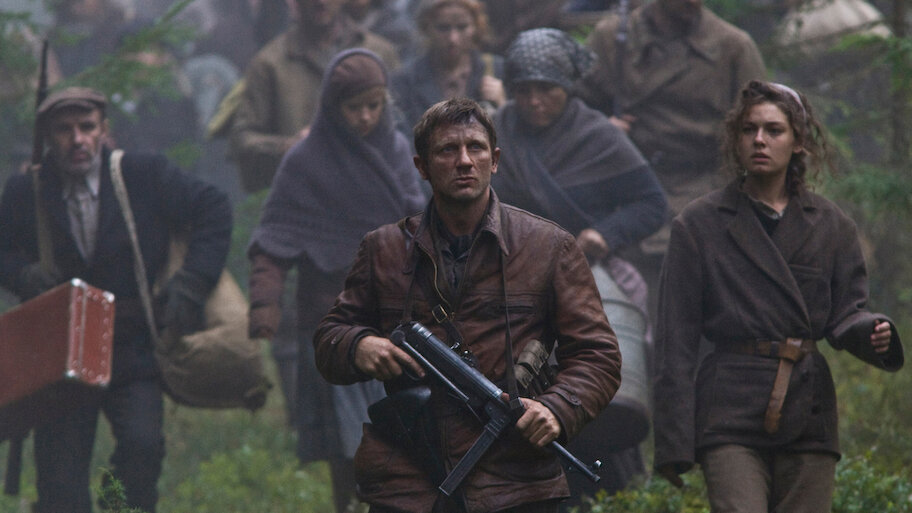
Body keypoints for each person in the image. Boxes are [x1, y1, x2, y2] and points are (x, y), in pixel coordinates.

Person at [313, 97, 621, 513]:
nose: (463, 161)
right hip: (409, 480)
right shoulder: (383, 249)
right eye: (447, 150)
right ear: (422, 166)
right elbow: (329, 338)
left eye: (475, 147)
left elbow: (598, 354)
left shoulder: (550, 247)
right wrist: (358, 345)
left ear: (495, 160)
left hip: (515, 480)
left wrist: (557, 407)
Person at [653, 80, 904, 512]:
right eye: (749, 130)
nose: (759, 140)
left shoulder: (831, 225)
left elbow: (846, 312)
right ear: (735, 140)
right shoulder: (699, 224)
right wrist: (673, 442)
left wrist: (871, 332)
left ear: (798, 141)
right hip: (729, 407)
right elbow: (675, 340)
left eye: (774, 130)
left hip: (807, 407)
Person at [0, 87, 232, 513]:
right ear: (48, 138)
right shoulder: (26, 192)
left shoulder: (143, 175)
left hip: (132, 346)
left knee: (143, 447)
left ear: (104, 130)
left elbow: (213, 209)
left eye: (86, 127)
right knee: (61, 480)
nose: (77, 139)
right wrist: (22, 274)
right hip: (60, 355)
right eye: (64, 130)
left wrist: (193, 281)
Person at [247, 49, 427, 513]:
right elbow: (274, 239)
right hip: (333, 321)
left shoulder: (397, 150)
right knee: (349, 445)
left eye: (374, 105)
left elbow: (420, 225)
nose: (365, 117)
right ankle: (348, 502)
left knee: (404, 433)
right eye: (353, 107)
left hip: (396, 319)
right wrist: (265, 303)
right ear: (332, 106)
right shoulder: (306, 161)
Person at [491, 27, 666, 503]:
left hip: (587, 281)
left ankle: (608, 485)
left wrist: (606, 233)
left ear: (567, 88)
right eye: (523, 89)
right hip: (512, 283)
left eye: (546, 89)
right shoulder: (496, 132)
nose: (534, 101)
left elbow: (651, 203)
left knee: (592, 383)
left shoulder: (598, 136)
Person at [582, 0, 766, 315]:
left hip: (702, 187)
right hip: (628, 189)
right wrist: (602, 127)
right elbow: (573, 106)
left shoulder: (732, 46)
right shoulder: (614, 37)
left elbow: (761, 128)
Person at [229, 0, 400, 193]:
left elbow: (404, 125)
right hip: (303, 193)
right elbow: (241, 138)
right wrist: (286, 146)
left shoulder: (379, 53)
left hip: (373, 189)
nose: (320, 1)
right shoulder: (269, 64)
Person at [390, 0, 505, 135]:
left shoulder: (496, 70)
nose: (452, 39)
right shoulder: (406, 80)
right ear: (427, 28)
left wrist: (502, 104)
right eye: (443, 28)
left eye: (462, 27)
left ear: (476, 28)